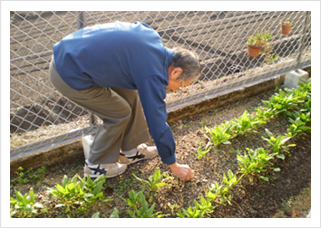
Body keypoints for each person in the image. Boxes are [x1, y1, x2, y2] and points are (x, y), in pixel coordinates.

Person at [49, 21, 201, 182]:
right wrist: (174, 165)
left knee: (131, 92)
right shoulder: (152, 73)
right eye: (182, 85)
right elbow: (158, 122)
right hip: (68, 72)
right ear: (176, 71)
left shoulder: (152, 39)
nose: (176, 90)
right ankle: (96, 166)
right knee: (119, 113)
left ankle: (130, 151)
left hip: (73, 55)